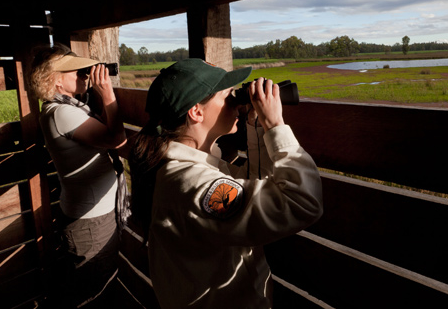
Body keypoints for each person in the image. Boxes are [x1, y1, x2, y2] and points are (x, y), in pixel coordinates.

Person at [129, 58, 323, 309]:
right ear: (196, 112)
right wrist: (275, 124)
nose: (237, 102)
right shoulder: (194, 184)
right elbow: (302, 203)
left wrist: (258, 127)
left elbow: (254, 189)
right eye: (229, 95)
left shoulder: (184, 168)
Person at [28, 43, 128, 308]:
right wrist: (107, 94)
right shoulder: (61, 113)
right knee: (95, 293)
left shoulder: (65, 108)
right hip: (91, 221)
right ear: (56, 81)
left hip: (93, 214)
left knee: (97, 284)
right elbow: (116, 138)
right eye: (77, 71)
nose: (85, 75)